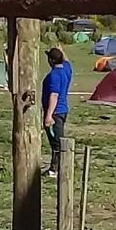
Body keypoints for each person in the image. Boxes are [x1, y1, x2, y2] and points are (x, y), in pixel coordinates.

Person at [42, 43, 73, 178]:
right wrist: (62, 51)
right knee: (58, 140)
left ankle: (56, 169)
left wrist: (48, 116)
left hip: (55, 112)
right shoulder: (66, 70)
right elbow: (67, 62)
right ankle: (57, 167)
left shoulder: (54, 75)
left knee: (57, 142)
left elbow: (53, 95)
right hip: (63, 110)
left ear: (51, 61)